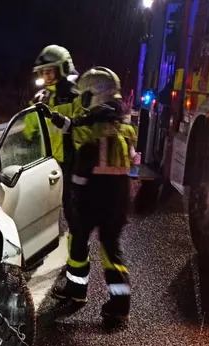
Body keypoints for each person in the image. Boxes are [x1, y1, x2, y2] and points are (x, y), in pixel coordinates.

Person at [35, 67, 133, 329]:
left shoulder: (99, 124)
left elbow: (79, 133)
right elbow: (78, 126)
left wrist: (76, 194)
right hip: (119, 196)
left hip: (96, 195)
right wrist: (56, 118)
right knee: (110, 250)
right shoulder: (121, 121)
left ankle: (77, 290)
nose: (83, 101)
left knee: (79, 241)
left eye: (86, 95)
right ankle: (119, 307)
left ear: (96, 94)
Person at [23, 45, 85, 233]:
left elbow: (83, 127)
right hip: (46, 163)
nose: (46, 75)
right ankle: (41, 248)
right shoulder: (40, 98)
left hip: (72, 162)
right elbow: (29, 129)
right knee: (42, 209)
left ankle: (79, 255)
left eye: (49, 70)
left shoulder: (76, 95)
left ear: (63, 68)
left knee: (72, 211)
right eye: (43, 71)